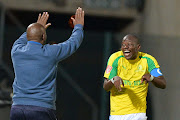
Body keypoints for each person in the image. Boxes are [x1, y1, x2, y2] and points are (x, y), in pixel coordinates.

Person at [10, 7, 84, 120]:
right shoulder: (50, 52)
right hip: (41, 109)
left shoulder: (16, 50)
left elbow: (25, 38)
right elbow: (73, 43)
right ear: (44, 36)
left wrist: (37, 26)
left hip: (17, 109)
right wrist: (78, 26)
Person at [103, 34, 166, 120]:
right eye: (123, 45)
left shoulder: (148, 60)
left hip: (138, 114)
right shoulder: (115, 58)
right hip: (116, 114)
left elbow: (163, 83)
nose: (126, 47)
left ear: (138, 47)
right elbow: (106, 87)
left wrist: (151, 78)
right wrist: (113, 79)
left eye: (130, 45)